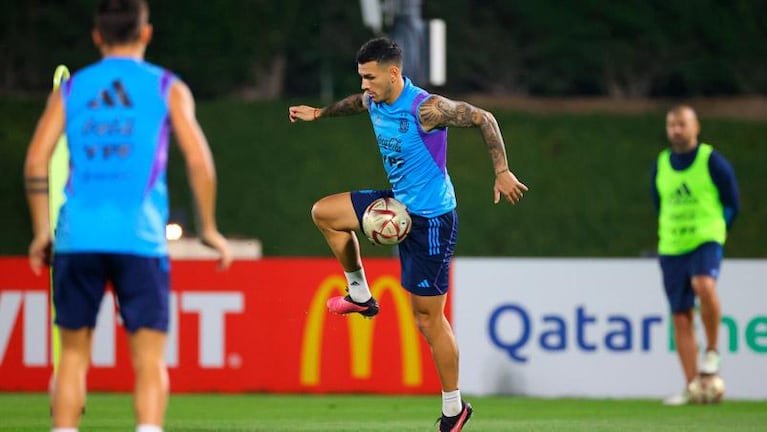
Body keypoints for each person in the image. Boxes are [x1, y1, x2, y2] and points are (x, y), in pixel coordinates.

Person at [289, 37, 527, 431]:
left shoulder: (427, 109)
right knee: (325, 214)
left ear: (393, 73)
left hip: (432, 221)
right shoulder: (372, 100)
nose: (364, 86)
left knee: (428, 321)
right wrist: (319, 113)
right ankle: (361, 295)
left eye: (370, 77)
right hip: (397, 205)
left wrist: (501, 171)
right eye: (361, 78)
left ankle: (455, 409)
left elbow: (484, 118)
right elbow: (353, 104)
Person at [24, 1, 232, 431]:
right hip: (140, 239)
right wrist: (209, 228)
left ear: (97, 36)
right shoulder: (167, 87)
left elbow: (35, 161)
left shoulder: (72, 88)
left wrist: (42, 230)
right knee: (149, 360)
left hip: (76, 238)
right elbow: (199, 161)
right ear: (146, 33)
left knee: (74, 358)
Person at [651, 105, 740, 405]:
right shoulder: (661, 163)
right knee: (680, 316)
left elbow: (732, 201)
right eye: (671, 124)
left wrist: (718, 228)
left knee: (704, 285)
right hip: (672, 245)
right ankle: (693, 387)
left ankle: (712, 352)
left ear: (695, 127)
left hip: (705, 240)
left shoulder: (711, 161)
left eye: (682, 124)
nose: (676, 130)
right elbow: (658, 204)